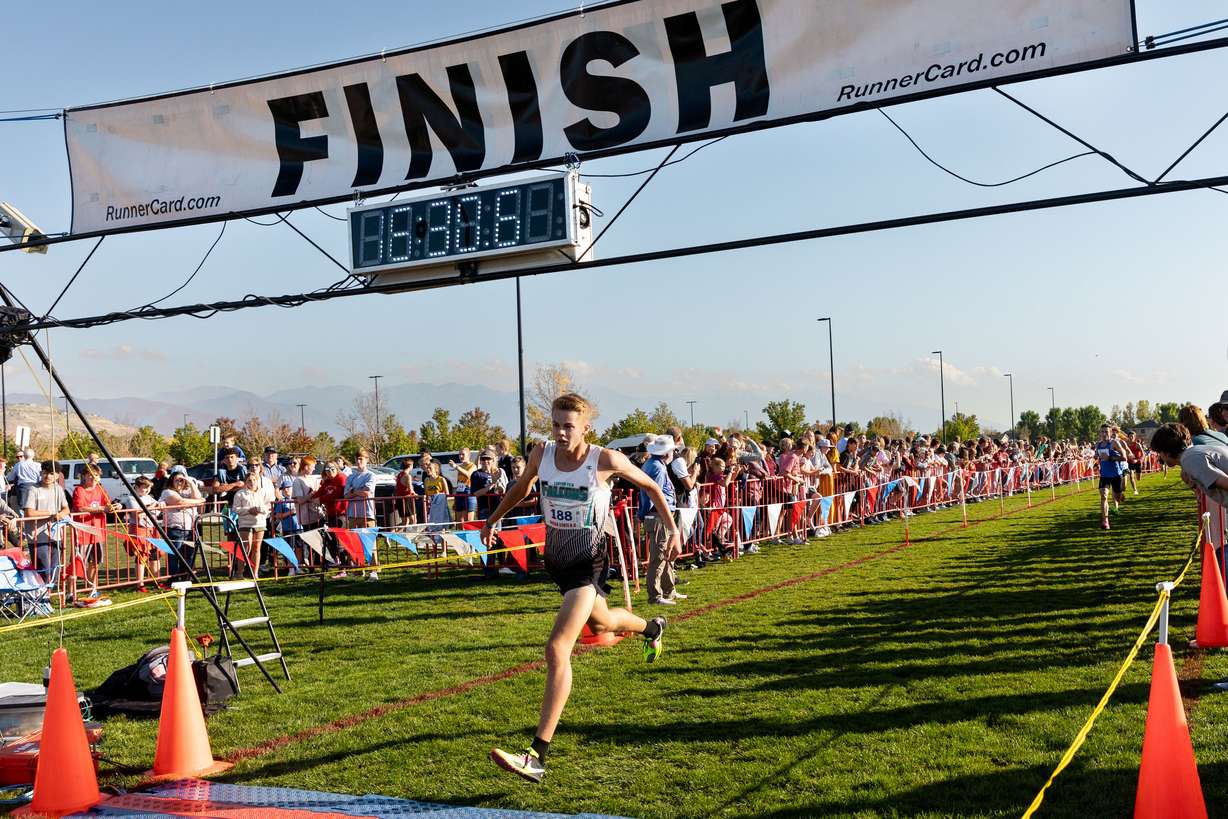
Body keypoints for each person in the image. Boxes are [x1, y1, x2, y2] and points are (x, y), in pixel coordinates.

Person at [481, 394, 675, 783]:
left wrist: (670, 527)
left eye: (569, 425)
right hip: (558, 561)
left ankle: (536, 754)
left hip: (590, 562)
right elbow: (521, 487)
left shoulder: (605, 460)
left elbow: (651, 486)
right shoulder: (541, 454)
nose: (561, 432)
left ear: (586, 427)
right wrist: (494, 519)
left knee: (557, 647)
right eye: (556, 424)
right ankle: (653, 629)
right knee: (602, 624)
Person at [71, 465, 119, 600]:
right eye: (90, 475)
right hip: (83, 532)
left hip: (97, 532)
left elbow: (108, 504)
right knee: (77, 562)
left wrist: (116, 506)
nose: (93, 478)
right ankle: (70, 592)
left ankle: (92, 588)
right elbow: (80, 508)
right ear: (84, 476)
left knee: (95, 561)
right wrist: (101, 509)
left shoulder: (100, 490)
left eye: (96, 475)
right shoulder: (79, 490)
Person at [23, 460, 70, 581]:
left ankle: (48, 595)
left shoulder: (58, 489)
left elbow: (66, 509)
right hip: (37, 538)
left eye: (51, 473)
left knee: (55, 570)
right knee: (44, 570)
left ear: (57, 475)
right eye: (45, 473)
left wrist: (60, 514)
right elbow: (29, 512)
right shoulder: (33, 489)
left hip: (55, 536)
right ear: (41, 473)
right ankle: (42, 596)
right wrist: (50, 514)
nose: (48, 476)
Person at [161, 465, 205, 577]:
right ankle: (174, 579)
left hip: (191, 528)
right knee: (175, 556)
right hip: (175, 529)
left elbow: (197, 496)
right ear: (171, 481)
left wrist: (190, 483)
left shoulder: (188, 490)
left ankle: (186, 577)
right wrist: (198, 501)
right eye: (177, 480)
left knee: (189, 555)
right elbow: (180, 502)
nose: (180, 482)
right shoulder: (167, 492)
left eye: (182, 480)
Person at [343, 449, 380, 581]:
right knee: (355, 543)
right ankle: (359, 569)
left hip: (367, 513)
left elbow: (367, 493)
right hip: (353, 514)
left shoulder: (370, 475)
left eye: (361, 459)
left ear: (367, 460)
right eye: (357, 459)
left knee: (370, 542)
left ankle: (373, 570)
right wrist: (356, 492)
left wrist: (354, 491)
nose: (359, 461)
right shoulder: (350, 477)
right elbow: (346, 495)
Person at [124, 476, 164, 592]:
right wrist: (151, 508)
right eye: (144, 488)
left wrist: (160, 505)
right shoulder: (131, 499)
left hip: (152, 528)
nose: (146, 490)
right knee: (141, 556)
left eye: (148, 488)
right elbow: (137, 515)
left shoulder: (149, 498)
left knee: (155, 554)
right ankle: (139, 584)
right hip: (139, 529)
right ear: (136, 487)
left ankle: (158, 581)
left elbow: (158, 508)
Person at [232, 471, 269, 577]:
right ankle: (239, 572)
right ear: (245, 482)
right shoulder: (240, 493)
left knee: (257, 548)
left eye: (254, 480)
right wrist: (249, 510)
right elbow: (235, 509)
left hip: (260, 523)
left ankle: (254, 573)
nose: (252, 482)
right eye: (249, 480)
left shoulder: (263, 492)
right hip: (245, 523)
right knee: (245, 548)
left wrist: (259, 509)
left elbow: (268, 506)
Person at [1094, 424, 1129, 530]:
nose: (1104, 434)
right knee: (1103, 496)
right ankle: (1105, 521)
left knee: (1117, 498)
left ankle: (1120, 494)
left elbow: (1124, 458)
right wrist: (1096, 458)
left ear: (1110, 433)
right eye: (1102, 432)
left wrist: (1110, 458)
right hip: (1104, 475)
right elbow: (1098, 456)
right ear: (1100, 433)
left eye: (1106, 432)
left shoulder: (1114, 443)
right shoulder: (1098, 445)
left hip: (1116, 475)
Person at [272, 477, 303, 574]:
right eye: (284, 488)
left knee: (299, 547)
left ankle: (297, 567)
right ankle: (290, 568)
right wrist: (290, 512)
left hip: (299, 527)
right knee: (289, 549)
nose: (286, 490)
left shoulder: (298, 499)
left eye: (288, 487)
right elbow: (277, 516)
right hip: (287, 528)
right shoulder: (281, 501)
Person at [454, 447, 477, 523]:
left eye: (463, 454)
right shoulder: (460, 466)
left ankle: (470, 534)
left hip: (469, 491)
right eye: (459, 454)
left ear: (469, 455)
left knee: (469, 521)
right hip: (459, 491)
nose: (461, 456)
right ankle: (460, 534)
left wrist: (456, 467)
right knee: (459, 520)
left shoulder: (473, 466)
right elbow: (459, 481)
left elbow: (468, 474)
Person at [394, 457, 417, 527]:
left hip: (400, 499)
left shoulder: (399, 474)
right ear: (410, 466)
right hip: (406, 499)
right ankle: (411, 536)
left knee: (405, 522)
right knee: (413, 520)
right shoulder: (407, 476)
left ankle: (396, 535)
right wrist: (416, 495)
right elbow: (411, 490)